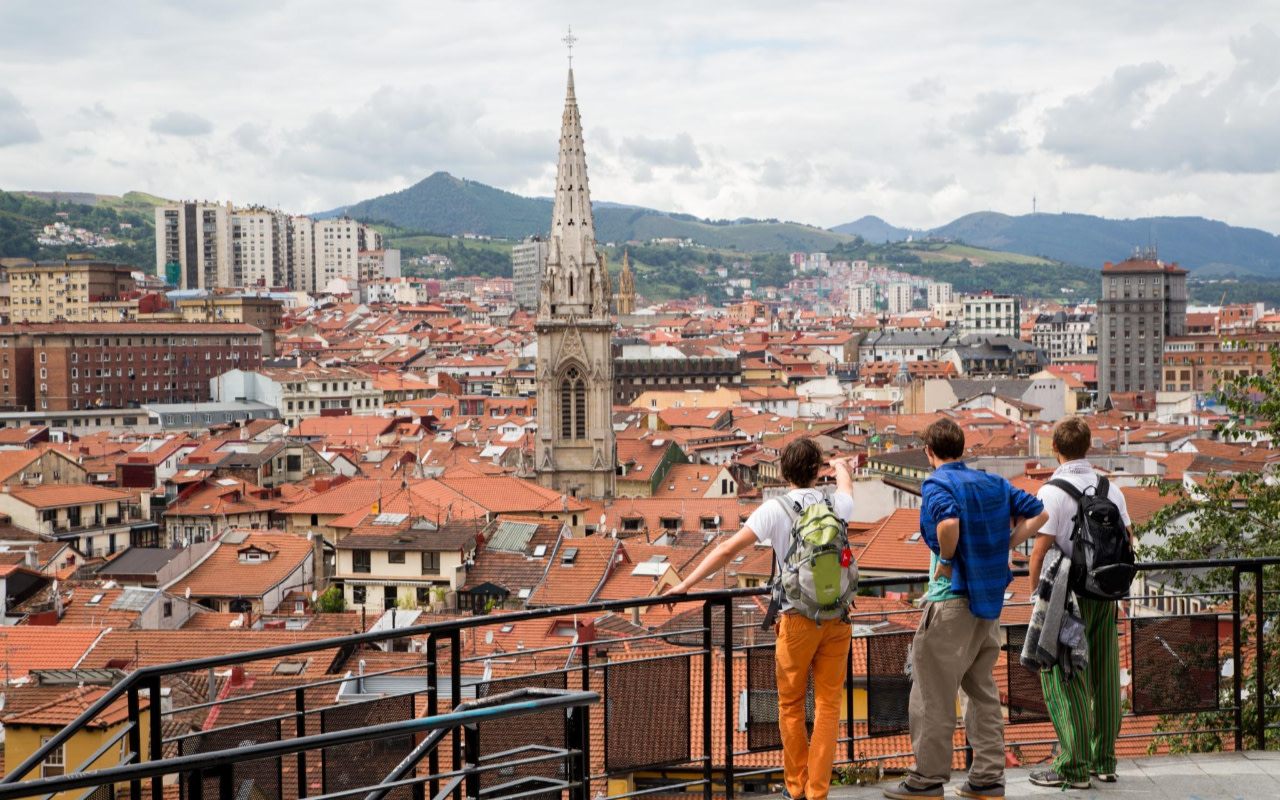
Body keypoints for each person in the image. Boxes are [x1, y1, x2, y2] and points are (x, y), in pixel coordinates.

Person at [665, 438, 855, 800]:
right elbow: (846, 485)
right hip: (837, 617)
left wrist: (686, 583)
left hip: (797, 618)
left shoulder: (775, 509)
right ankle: (818, 791)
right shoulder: (836, 503)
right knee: (829, 706)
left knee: (791, 705)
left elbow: (726, 550)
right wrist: (841, 467)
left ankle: (796, 787)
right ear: (817, 471)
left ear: (783, 473)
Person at [884, 418, 1047, 800]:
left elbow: (949, 523)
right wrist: (1007, 543)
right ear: (962, 448)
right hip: (987, 605)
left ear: (929, 451)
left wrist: (945, 557)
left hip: (951, 601)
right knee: (981, 691)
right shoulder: (992, 482)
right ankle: (988, 778)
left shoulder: (938, 483)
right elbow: (1041, 513)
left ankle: (926, 779)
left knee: (931, 693)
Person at [1026, 417, 1131, 790]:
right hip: (1105, 595)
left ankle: (1072, 767)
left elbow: (1039, 552)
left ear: (1054, 448)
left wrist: (1034, 595)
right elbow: (1127, 539)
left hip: (1066, 599)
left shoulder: (1051, 492)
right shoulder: (1111, 489)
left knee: (1065, 677)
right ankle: (1104, 761)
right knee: (1104, 675)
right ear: (1088, 447)